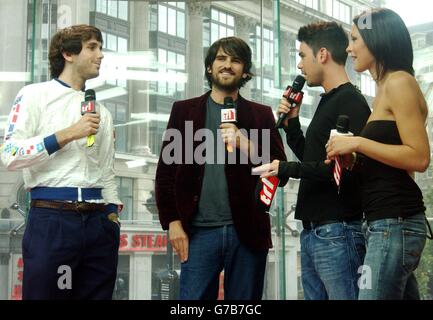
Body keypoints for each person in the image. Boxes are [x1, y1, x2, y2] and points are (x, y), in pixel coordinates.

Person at [155, 36, 287, 300]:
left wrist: (246, 143)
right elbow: (166, 174)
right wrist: (172, 221)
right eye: (221, 59)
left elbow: (280, 172)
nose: (228, 65)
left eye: (236, 61)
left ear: (245, 71)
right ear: (209, 67)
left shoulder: (260, 115)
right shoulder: (184, 111)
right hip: (198, 233)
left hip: (247, 233)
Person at [0, 24, 122, 300]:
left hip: (98, 223)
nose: (100, 55)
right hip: (53, 220)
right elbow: (10, 153)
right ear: (68, 53)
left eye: (100, 48)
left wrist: (112, 217)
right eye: (92, 47)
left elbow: (106, 171)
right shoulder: (34, 95)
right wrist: (68, 134)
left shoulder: (102, 111)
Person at [260, 22, 371, 300]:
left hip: (337, 231)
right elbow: (314, 158)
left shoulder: (351, 102)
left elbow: (336, 170)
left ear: (322, 54)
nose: (299, 65)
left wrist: (284, 168)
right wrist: (292, 124)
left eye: (301, 55)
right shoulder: (328, 101)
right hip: (314, 232)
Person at [326, 8, 430, 300]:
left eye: (355, 39)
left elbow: (419, 158)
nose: (349, 48)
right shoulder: (387, 88)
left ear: (377, 40)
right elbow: (396, 160)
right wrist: (354, 159)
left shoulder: (399, 83)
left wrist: (357, 144)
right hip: (385, 222)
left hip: (394, 222)